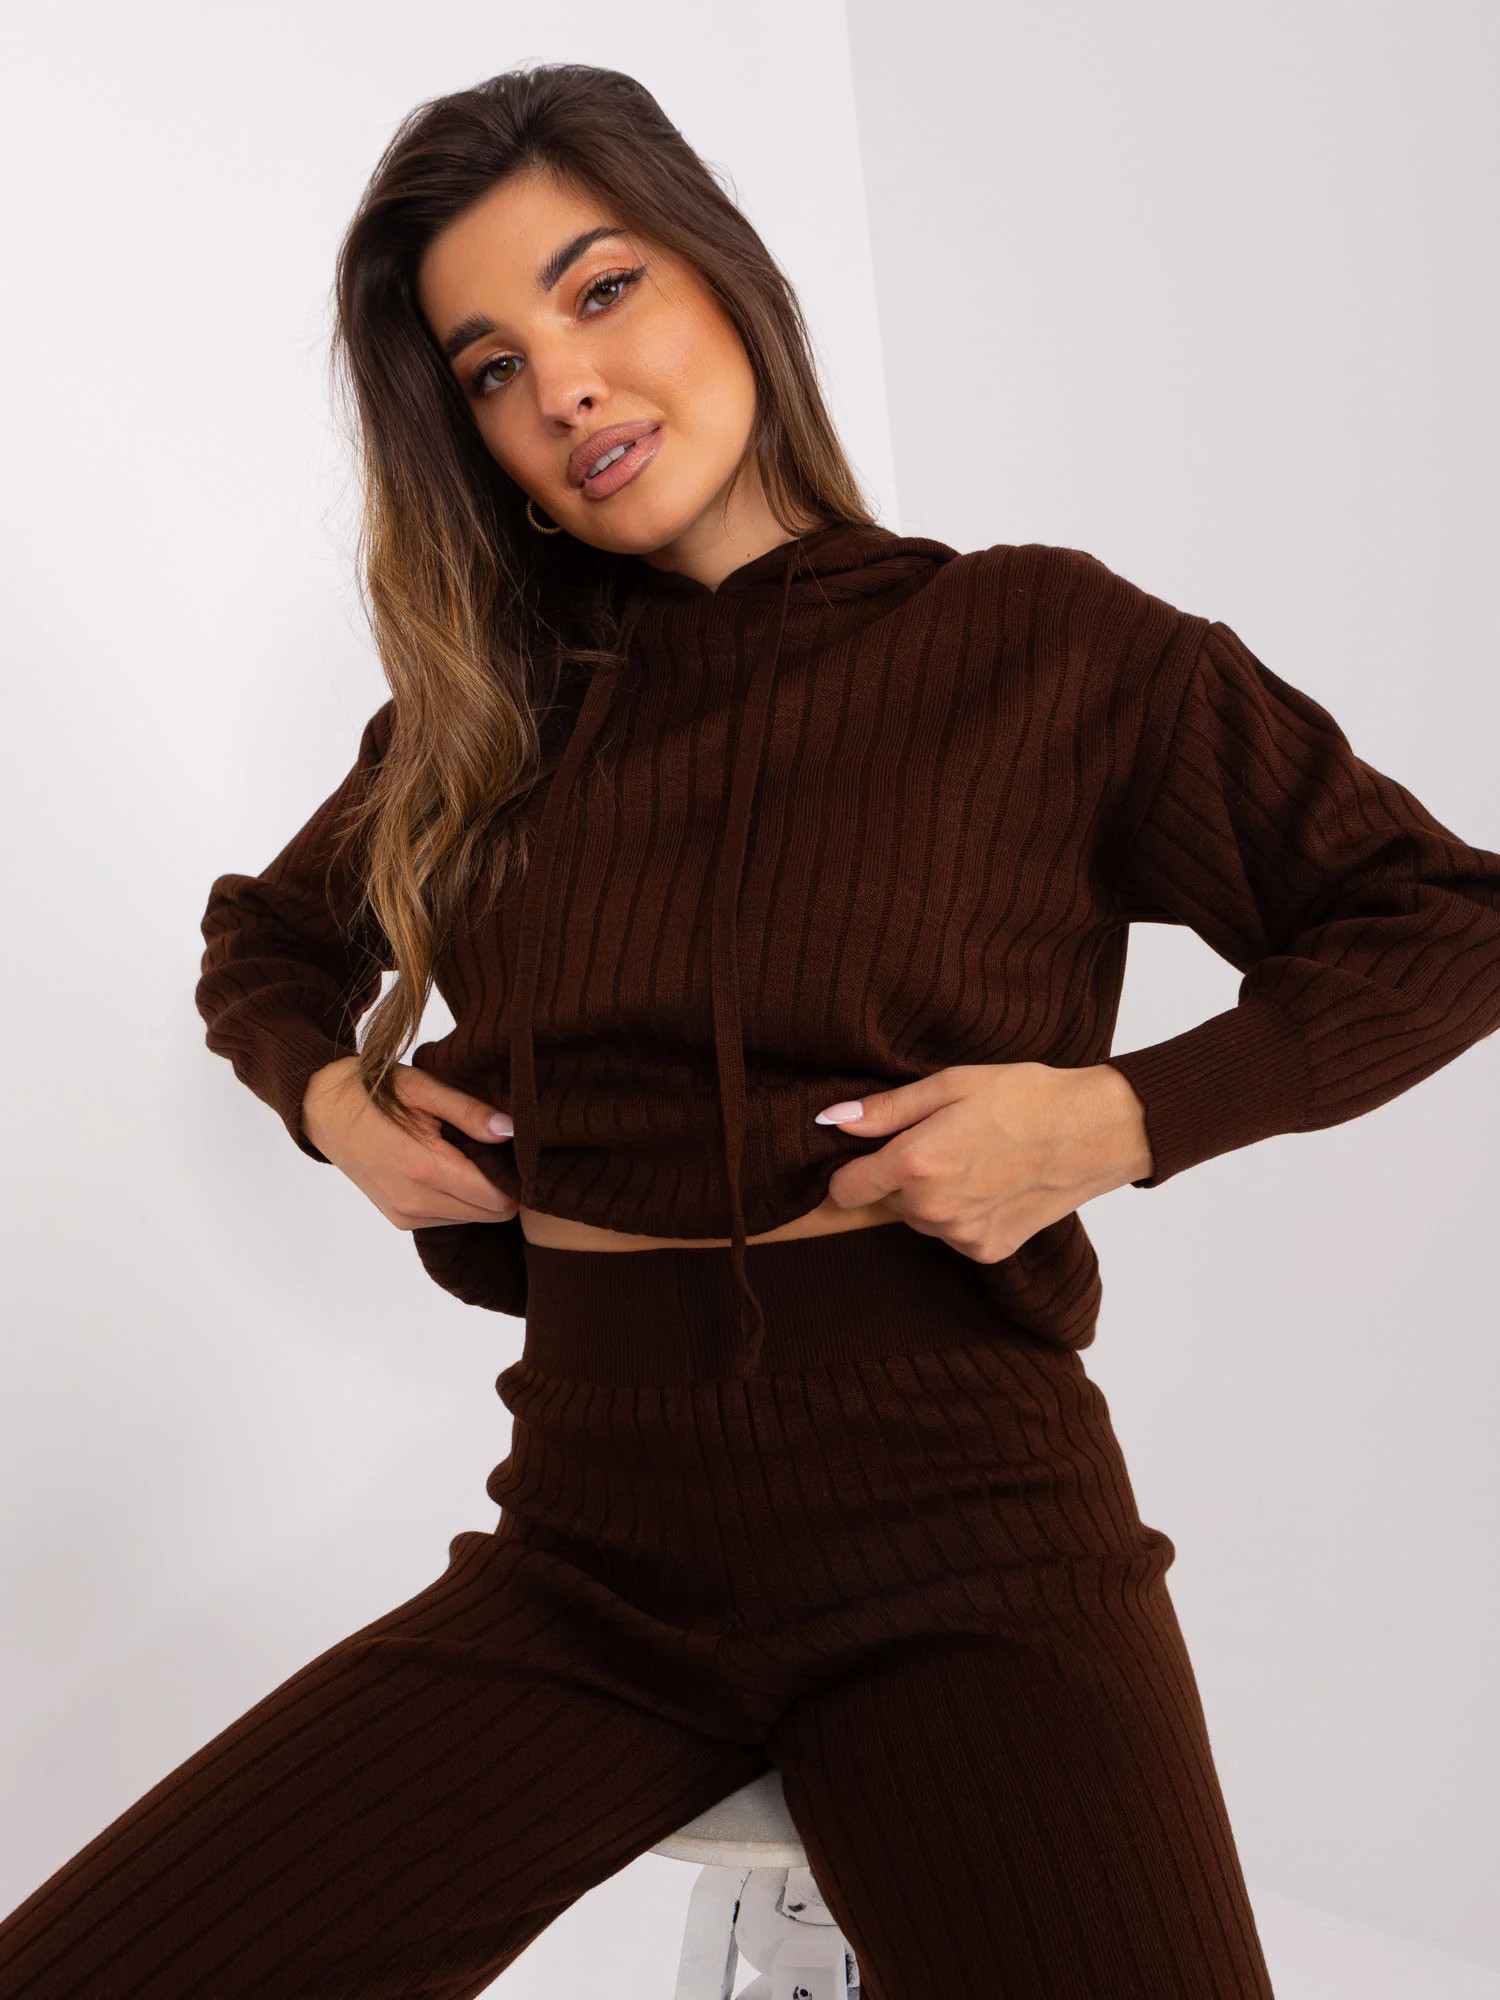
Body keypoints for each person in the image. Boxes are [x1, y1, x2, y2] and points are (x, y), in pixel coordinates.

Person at [3, 58, 1498, 2000]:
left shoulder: (1046, 647)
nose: (563, 386)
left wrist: (1120, 1118)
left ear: (724, 271)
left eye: (600, 287)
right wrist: (334, 1105)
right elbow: (265, 944)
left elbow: (1442, 915)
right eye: (491, 366)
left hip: (963, 1527)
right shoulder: (497, 723)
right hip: (589, 1542)